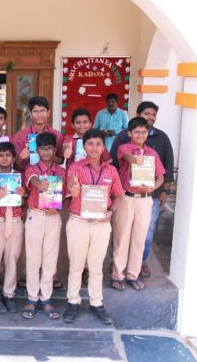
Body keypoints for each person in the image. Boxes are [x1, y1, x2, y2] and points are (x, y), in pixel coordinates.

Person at [63, 129, 123, 325]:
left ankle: (96, 303)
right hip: (78, 223)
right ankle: (73, 302)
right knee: (76, 265)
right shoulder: (76, 167)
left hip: (101, 224)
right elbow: (71, 182)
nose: (94, 148)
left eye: (98, 144)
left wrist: (111, 211)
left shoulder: (111, 171)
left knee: (96, 267)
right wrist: (73, 188)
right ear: (84, 146)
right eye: (90, 144)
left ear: (104, 147)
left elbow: (118, 195)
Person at [109, 101, 175, 279]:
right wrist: (135, 159)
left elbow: (161, 175)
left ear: (147, 134)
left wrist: (154, 187)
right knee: (122, 237)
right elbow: (125, 156)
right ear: (129, 133)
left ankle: (133, 274)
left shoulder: (151, 153)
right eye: (137, 132)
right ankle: (117, 275)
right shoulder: (124, 146)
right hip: (126, 198)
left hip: (146, 199)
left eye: (144, 132)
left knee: (140, 238)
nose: (140, 135)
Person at [20, 132, 66, 320]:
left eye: (49, 148)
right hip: (35, 216)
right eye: (42, 149)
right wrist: (41, 184)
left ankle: (46, 298)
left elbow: (66, 196)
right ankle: (32, 298)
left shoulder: (61, 171)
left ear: (55, 150)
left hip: (54, 217)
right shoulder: (31, 169)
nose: (46, 152)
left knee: (50, 259)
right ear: (37, 150)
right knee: (33, 259)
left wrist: (58, 208)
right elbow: (33, 180)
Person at [0, 142, 25, 314]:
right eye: (1, 155)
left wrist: (23, 192)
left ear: (14, 158)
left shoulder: (19, 176)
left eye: (8, 155)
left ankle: (9, 294)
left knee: (12, 260)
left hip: (15, 221)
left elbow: (26, 199)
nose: (4, 158)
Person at [12, 96, 64, 170]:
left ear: (48, 113)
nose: (39, 115)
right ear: (30, 114)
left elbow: (61, 161)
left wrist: (51, 156)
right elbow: (16, 166)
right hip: (27, 175)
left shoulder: (57, 135)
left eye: (42, 111)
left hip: (50, 176)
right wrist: (21, 157)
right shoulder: (21, 136)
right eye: (35, 111)